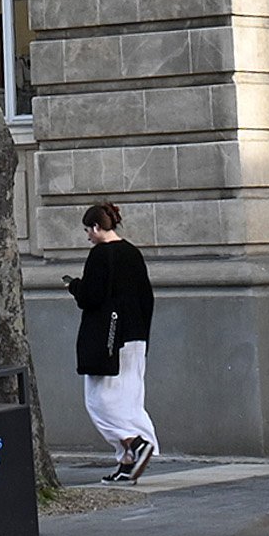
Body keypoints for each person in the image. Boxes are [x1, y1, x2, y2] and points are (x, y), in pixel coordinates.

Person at [65, 200, 157, 482]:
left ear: (96, 227)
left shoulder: (100, 256)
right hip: (135, 336)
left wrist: (74, 286)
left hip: (108, 340)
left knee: (99, 400)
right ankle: (128, 460)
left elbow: (91, 297)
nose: (87, 236)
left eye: (87, 230)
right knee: (129, 397)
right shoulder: (132, 253)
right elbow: (146, 297)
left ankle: (134, 443)